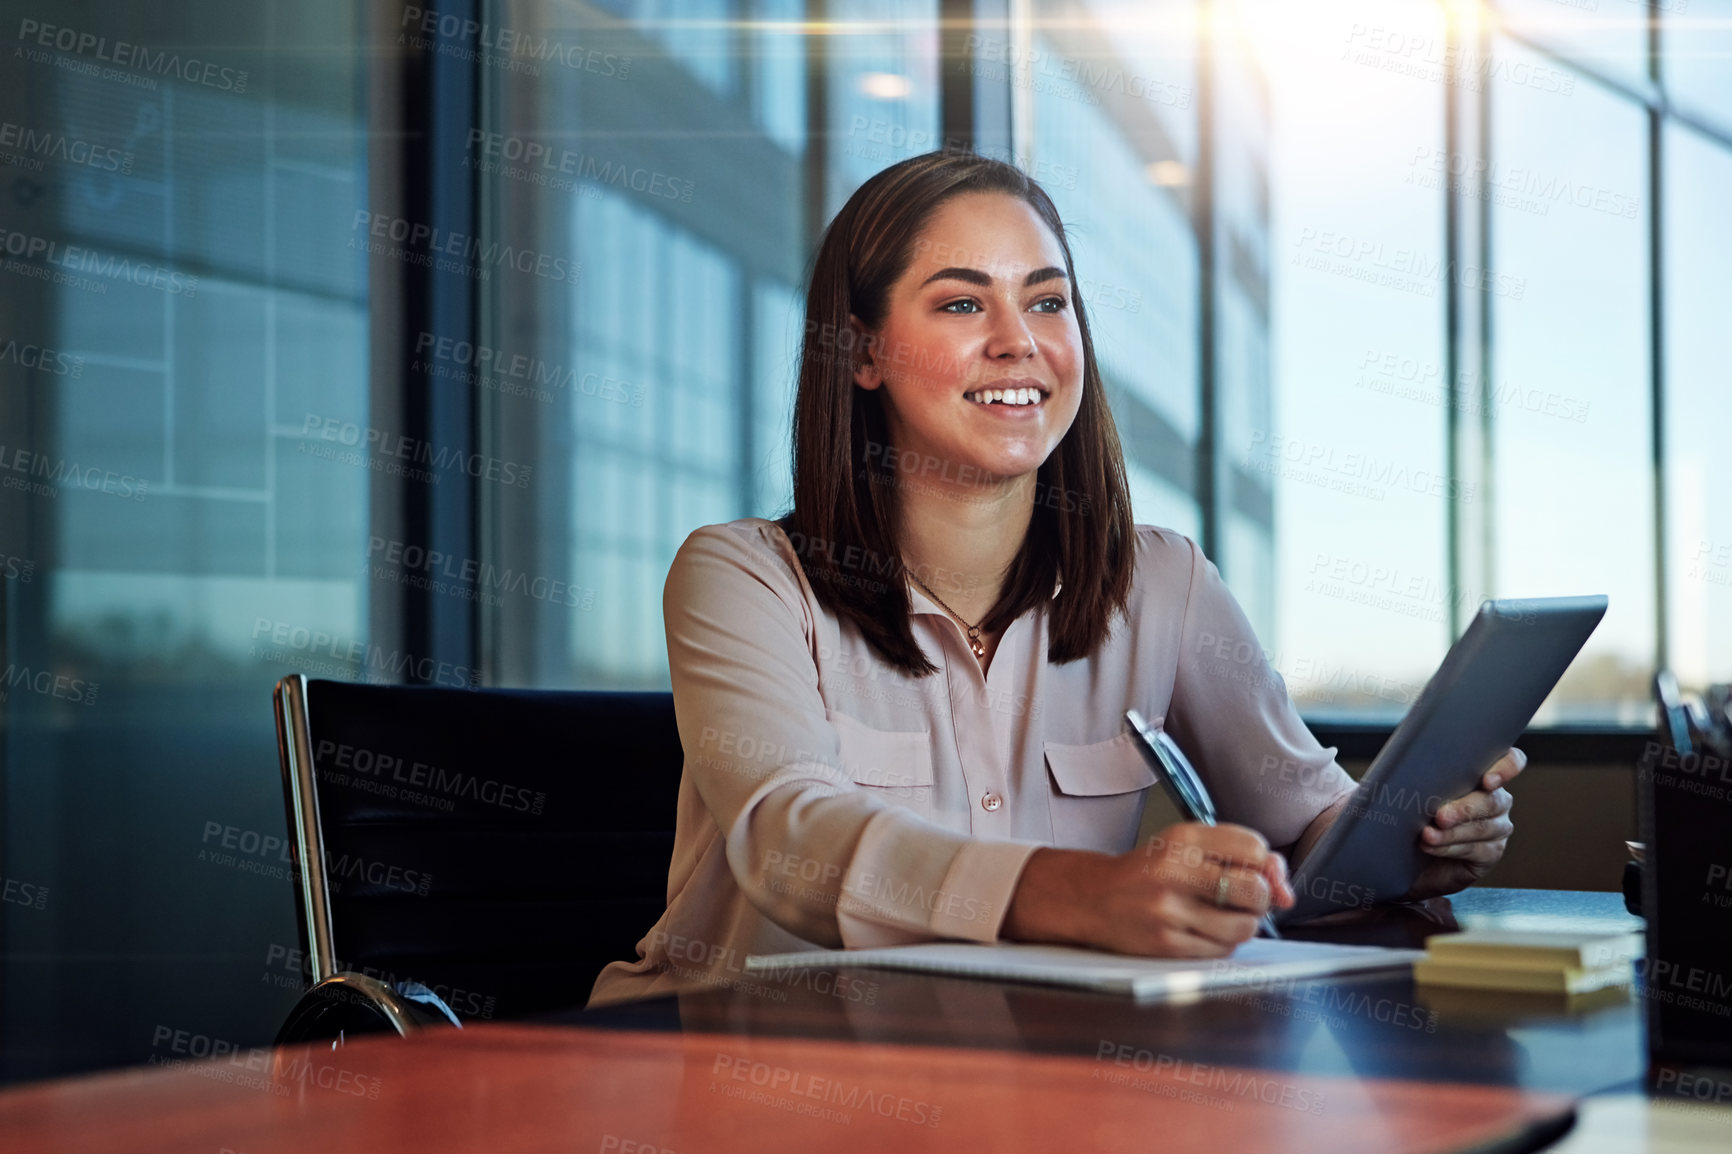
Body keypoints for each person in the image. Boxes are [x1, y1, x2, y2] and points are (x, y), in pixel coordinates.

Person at [586, 151, 1521, 1007]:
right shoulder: (744, 576)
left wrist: (1411, 839)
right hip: (734, 1072)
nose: (1018, 342)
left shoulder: (1164, 583)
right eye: (962, 304)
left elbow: (1310, 825)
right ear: (862, 352)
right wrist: (1086, 895)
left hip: (1020, 1075)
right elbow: (791, 841)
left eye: (1047, 301)